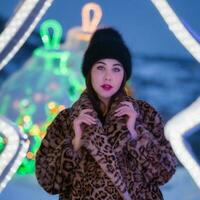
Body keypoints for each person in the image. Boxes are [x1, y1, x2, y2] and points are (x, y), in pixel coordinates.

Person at [35, 27, 177, 200]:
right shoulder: (66, 120)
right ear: (89, 72)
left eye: (116, 69)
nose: (108, 77)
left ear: (124, 74)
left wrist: (136, 133)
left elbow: (165, 173)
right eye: (100, 68)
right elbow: (48, 182)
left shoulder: (145, 115)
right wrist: (75, 143)